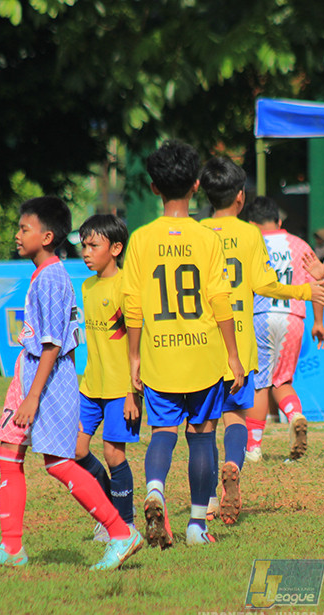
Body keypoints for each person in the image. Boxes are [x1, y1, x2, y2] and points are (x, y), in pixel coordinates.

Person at [0, 197, 143, 571]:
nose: (17, 235)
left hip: (47, 383)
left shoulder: (52, 278)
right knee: (9, 453)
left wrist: (32, 397)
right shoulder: (42, 274)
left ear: (46, 236)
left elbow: (53, 345)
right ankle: (11, 548)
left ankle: (121, 532)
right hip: (29, 376)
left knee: (59, 462)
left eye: (24, 229)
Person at [122, 140, 245, 548]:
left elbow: (133, 306)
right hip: (204, 356)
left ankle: (155, 488)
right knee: (204, 434)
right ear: (196, 185)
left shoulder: (140, 240)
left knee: (162, 431)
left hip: (161, 355)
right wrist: (232, 355)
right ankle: (196, 525)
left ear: (154, 188)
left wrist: (135, 357)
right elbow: (219, 300)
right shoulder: (207, 237)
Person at [197, 158, 324, 526]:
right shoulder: (260, 237)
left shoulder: (197, 231)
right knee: (255, 398)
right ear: (240, 197)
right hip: (259, 326)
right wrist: (308, 292)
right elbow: (267, 284)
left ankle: (207, 497)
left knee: (204, 422)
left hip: (210, 335)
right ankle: (244, 455)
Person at [71, 214, 141, 542]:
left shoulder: (128, 287)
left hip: (119, 389)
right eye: (83, 245)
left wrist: (132, 391)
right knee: (75, 450)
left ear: (115, 248)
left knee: (114, 455)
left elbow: (137, 345)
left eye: (93, 245)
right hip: (90, 387)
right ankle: (110, 512)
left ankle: (125, 524)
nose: (85, 252)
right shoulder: (86, 286)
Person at [244, 196, 324, 465]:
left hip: (260, 316)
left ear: (250, 223)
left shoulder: (251, 243)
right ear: (279, 221)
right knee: (282, 381)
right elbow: (318, 283)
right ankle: (294, 416)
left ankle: (254, 447)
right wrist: (318, 322)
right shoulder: (300, 245)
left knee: (259, 384)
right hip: (293, 317)